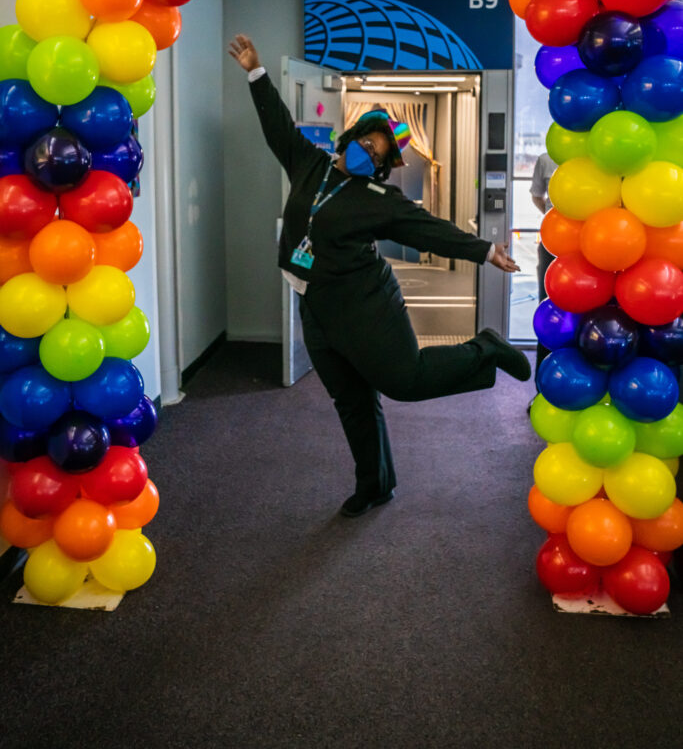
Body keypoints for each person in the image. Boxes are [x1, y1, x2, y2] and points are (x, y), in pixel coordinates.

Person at [230, 34, 531, 518]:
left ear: (384, 166)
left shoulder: (379, 198)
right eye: (368, 142)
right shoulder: (310, 165)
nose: (370, 153)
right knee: (351, 401)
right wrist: (256, 73)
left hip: (366, 305)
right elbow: (278, 127)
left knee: (405, 381)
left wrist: (483, 250)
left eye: (379, 154)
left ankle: (485, 347)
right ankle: (375, 484)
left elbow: (427, 230)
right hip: (316, 306)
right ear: (351, 136)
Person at [530, 151, 558, 370]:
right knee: (549, 310)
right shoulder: (546, 159)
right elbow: (537, 196)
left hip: (595, 245)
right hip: (554, 244)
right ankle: (543, 386)